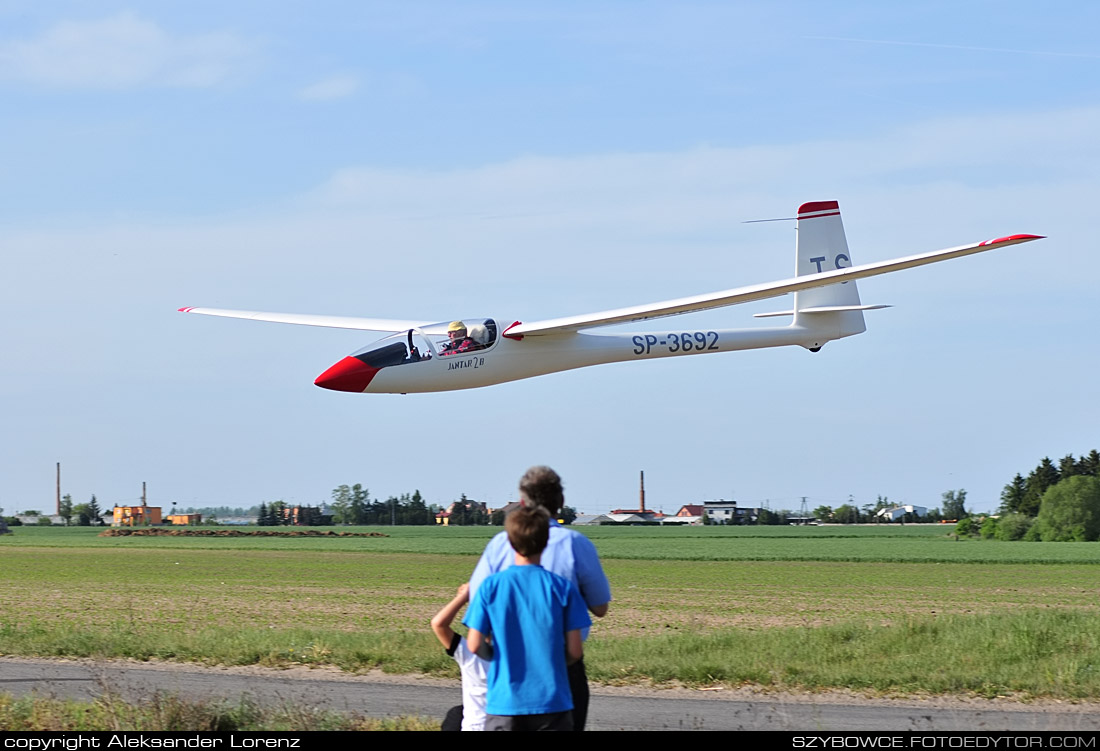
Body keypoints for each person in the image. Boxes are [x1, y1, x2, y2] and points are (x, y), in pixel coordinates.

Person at [469, 466, 610, 731]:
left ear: (521, 504)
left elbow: (476, 613)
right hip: (557, 678)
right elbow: (600, 608)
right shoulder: (574, 546)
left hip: (506, 676)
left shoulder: (499, 547)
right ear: (561, 503)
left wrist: (495, 655)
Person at [429, 583, 490, 731]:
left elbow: (438, 624)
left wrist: (463, 596)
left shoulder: (471, 655)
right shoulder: (519, 656)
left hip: (475, 726)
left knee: (456, 714)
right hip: (506, 723)